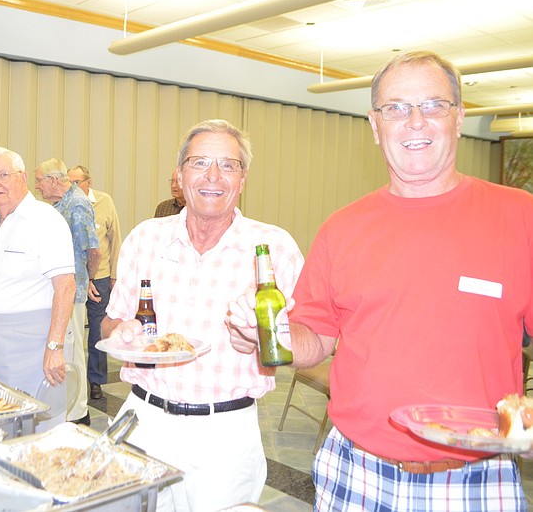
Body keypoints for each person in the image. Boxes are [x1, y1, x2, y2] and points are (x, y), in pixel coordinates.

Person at [227, 51, 533, 510]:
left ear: (459, 117)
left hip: (476, 480)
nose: (414, 121)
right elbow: (314, 341)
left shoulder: (519, 217)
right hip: (356, 472)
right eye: (395, 108)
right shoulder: (342, 228)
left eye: (432, 105)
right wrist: (267, 332)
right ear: (374, 125)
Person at [102, 119, 304, 511]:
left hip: (224, 433)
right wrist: (122, 331)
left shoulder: (273, 248)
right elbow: (111, 321)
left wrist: (261, 338)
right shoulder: (145, 238)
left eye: (228, 165)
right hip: (144, 419)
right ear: (179, 175)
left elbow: (304, 338)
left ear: (243, 178)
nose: (213, 176)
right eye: (199, 163)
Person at [0, 146, 76, 430]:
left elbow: (65, 286)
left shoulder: (44, 220)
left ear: (22, 177)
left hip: (30, 346)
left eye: (2, 175)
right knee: (0, 421)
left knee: (35, 424)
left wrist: (55, 347)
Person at [35, 158, 100, 425]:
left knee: (72, 353)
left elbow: (93, 251)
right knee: (66, 351)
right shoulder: (59, 205)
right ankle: (67, 408)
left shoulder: (77, 204)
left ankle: (78, 413)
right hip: (60, 290)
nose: (37, 187)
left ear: (53, 180)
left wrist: (89, 279)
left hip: (72, 291)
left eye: (39, 180)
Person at [67, 164, 121, 400]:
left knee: (97, 329)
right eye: (70, 182)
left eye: (77, 182)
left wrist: (114, 276)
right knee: (75, 330)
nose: (73, 187)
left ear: (88, 182)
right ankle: (74, 381)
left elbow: (115, 238)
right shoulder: (64, 204)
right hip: (75, 278)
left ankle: (96, 380)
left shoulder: (104, 202)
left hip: (99, 276)